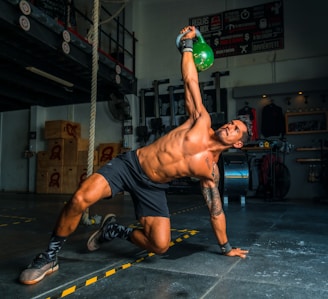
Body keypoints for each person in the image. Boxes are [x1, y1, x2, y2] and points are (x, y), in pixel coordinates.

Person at [19, 26, 250, 285]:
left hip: (153, 188)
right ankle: (49, 256)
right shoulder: (200, 120)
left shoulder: (211, 170)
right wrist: (187, 45)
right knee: (80, 197)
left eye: (235, 129)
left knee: (160, 245)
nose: (229, 126)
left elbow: (216, 211)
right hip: (130, 166)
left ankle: (113, 229)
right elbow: (190, 80)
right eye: (231, 123)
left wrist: (226, 247)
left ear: (238, 144)